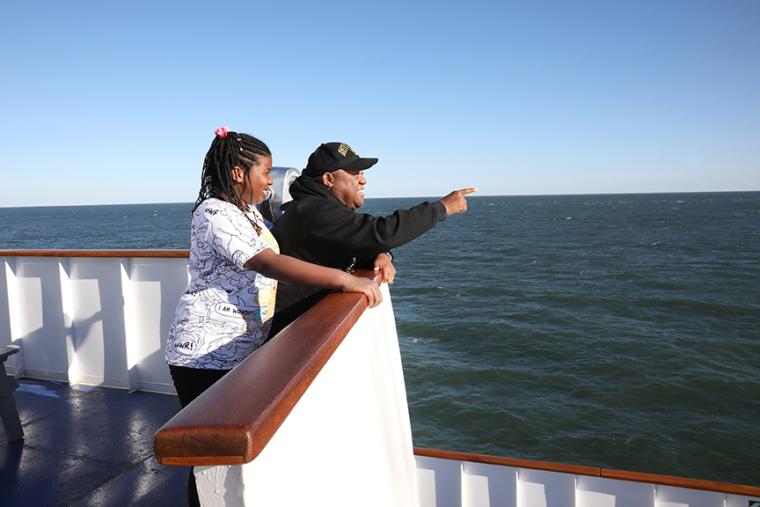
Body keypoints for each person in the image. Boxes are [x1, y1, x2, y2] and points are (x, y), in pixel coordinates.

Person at [165, 129, 381, 506]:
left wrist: (375, 256)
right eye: (265, 173)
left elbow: (299, 243)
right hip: (204, 354)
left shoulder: (246, 212)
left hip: (240, 349)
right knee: (209, 457)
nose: (271, 181)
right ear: (237, 173)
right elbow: (270, 263)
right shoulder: (213, 214)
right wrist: (346, 280)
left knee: (230, 456)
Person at [269, 141, 475, 337]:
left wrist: (381, 253)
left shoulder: (314, 207)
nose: (363, 180)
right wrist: (441, 208)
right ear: (328, 180)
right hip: (290, 334)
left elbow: (357, 239)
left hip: (301, 326)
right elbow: (380, 232)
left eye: (362, 173)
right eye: (355, 173)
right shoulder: (314, 212)